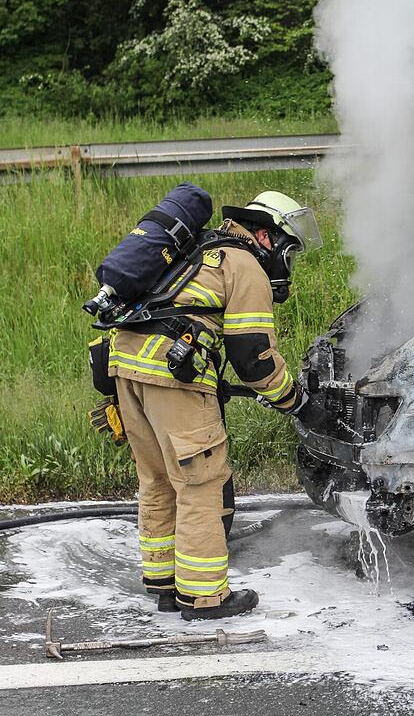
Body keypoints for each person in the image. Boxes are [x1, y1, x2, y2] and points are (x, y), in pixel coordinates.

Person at [108, 191, 333, 620]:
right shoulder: (244, 265)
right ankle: (205, 596)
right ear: (266, 236)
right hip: (171, 374)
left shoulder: (198, 249)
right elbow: (254, 359)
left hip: (125, 366)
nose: (288, 261)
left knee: (158, 478)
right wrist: (298, 403)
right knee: (200, 483)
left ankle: (163, 582)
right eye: (289, 249)